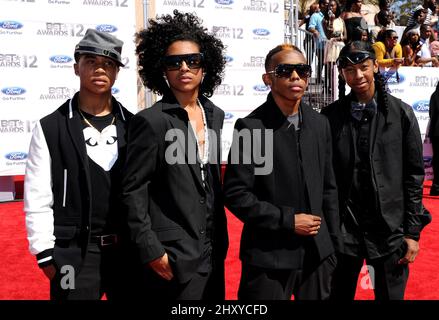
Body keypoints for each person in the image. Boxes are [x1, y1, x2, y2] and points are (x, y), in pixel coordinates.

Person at [121, 10, 228, 300]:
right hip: (172, 256)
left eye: (193, 60)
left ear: (205, 68)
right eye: (174, 62)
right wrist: (151, 250)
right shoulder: (151, 121)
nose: (184, 67)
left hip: (214, 249)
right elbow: (133, 191)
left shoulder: (215, 115)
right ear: (163, 70)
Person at [223, 44, 341, 300]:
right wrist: (288, 220)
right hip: (269, 257)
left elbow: (329, 190)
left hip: (317, 256)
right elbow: (237, 194)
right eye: (285, 70)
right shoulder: (253, 128)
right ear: (268, 79)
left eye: (302, 70)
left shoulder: (320, 124)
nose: (296, 77)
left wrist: (332, 246)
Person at [24, 29, 133, 300]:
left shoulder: (134, 126)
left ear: (117, 72)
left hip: (128, 254)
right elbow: (36, 196)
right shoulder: (50, 127)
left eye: (108, 63)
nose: (100, 69)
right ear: (76, 68)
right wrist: (46, 254)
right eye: (91, 61)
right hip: (73, 254)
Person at [321, 41, 427, 300]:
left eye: (364, 68)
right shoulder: (330, 117)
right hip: (343, 231)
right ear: (342, 74)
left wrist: (412, 233)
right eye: (349, 70)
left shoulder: (401, 113)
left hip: (389, 231)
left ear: (376, 67)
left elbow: (414, 176)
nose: (357, 76)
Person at [428, 81, 439, 195]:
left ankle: (436, 186)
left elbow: (431, 113)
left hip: (435, 132)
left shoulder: (434, 95)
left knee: (436, 159)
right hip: (436, 131)